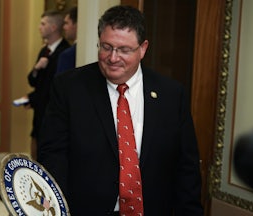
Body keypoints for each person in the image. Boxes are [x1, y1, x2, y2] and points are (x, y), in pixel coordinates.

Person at [38, 5, 203, 215]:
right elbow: (54, 156)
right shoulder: (69, 88)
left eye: (124, 50)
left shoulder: (171, 95)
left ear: (143, 48)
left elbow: (186, 168)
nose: (113, 58)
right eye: (106, 47)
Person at [24, 10, 70, 160]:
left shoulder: (65, 51)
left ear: (53, 27)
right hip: (39, 112)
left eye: (43, 24)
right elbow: (32, 81)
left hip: (53, 112)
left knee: (48, 155)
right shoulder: (44, 51)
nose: (39, 27)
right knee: (36, 151)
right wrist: (36, 69)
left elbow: (56, 87)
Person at [56, 6, 77, 74]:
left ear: (77, 24)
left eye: (66, 23)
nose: (64, 27)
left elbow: (60, 84)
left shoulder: (67, 55)